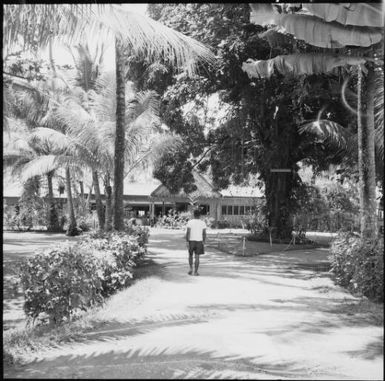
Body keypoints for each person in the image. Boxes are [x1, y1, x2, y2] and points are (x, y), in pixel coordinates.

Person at [185, 209, 207, 276]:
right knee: (197, 257)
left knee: (190, 255)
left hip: (191, 241)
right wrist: (204, 241)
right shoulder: (203, 223)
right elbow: (204, 233)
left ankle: (191, 269)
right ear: (200, 215)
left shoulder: (190, 222)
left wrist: (187, 241)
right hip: (199, 241)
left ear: (193, 215)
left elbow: (188, 232)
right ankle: (196, 272)